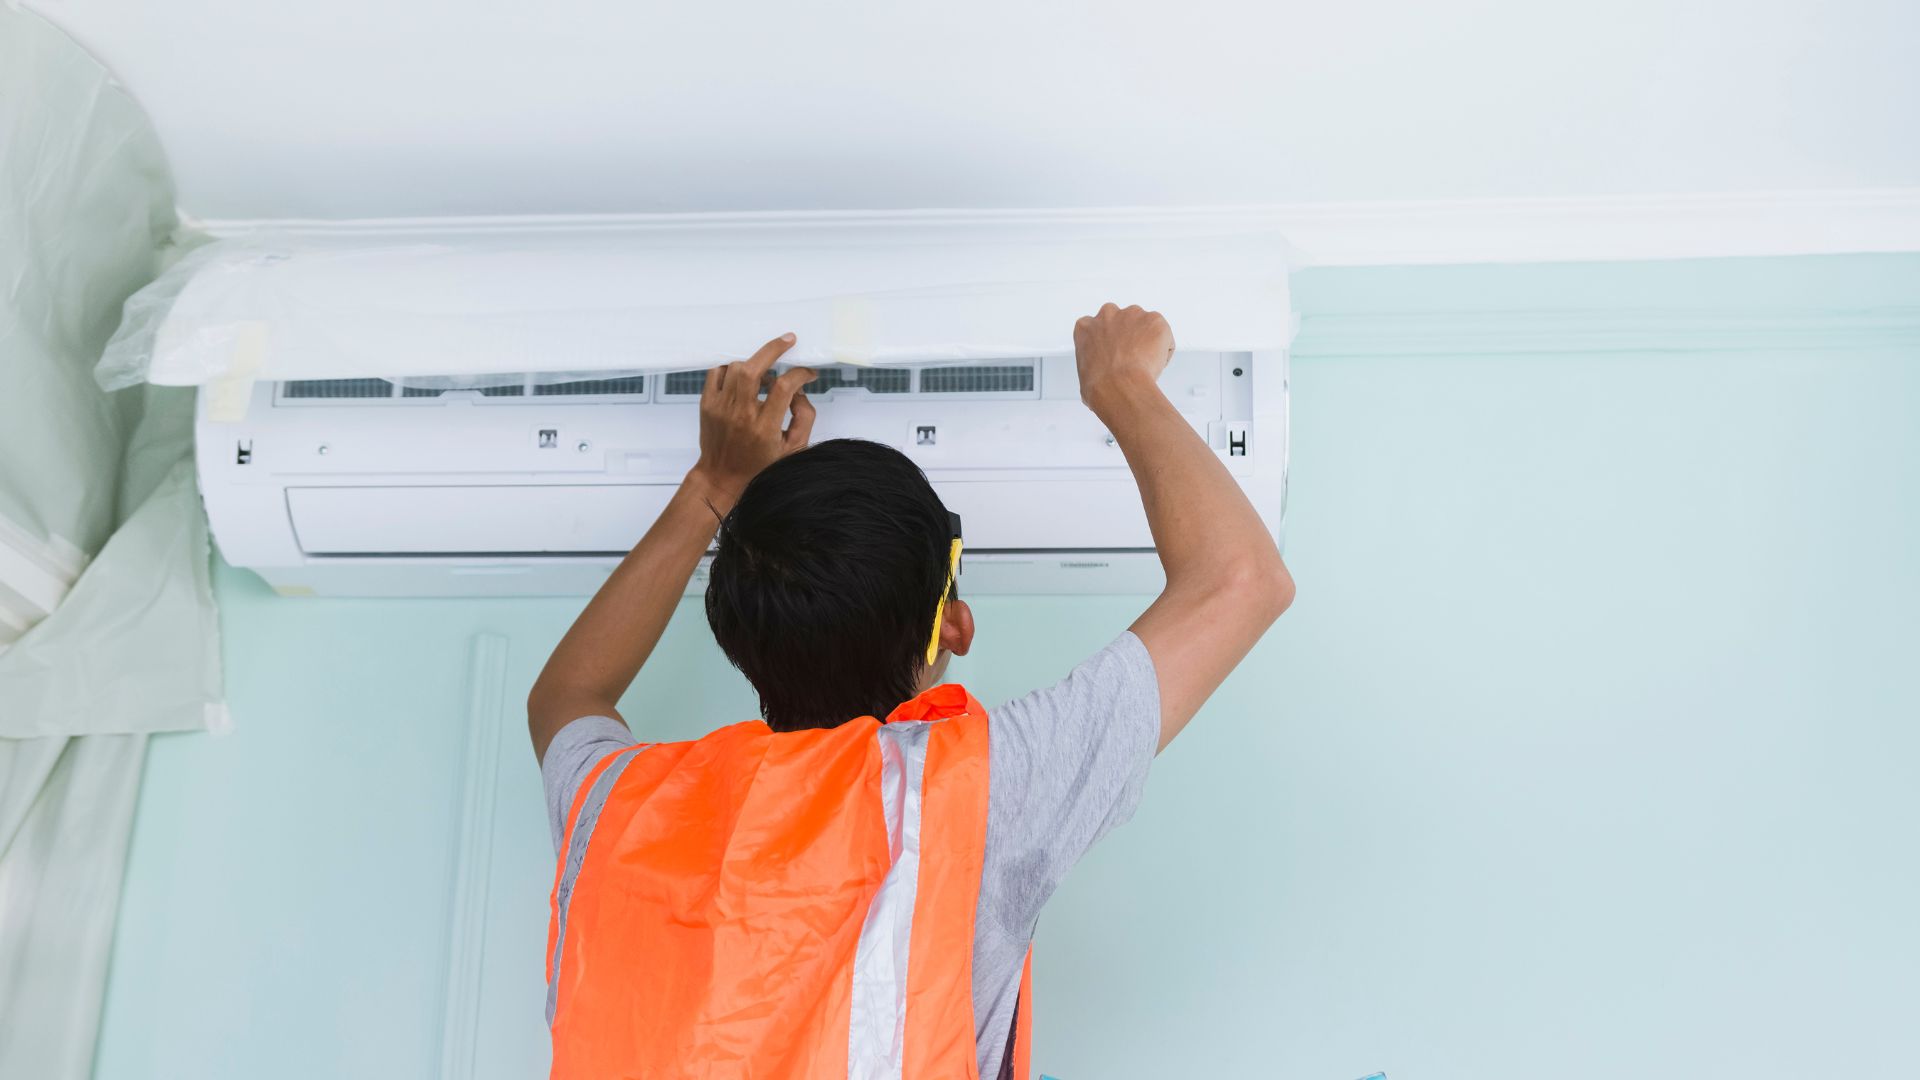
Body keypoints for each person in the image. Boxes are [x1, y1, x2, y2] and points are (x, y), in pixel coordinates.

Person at [529, 303, 1295, 1079]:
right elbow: (1241, 580)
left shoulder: (620, 806)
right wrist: (1119, 383)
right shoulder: (973, 793)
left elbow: (567, 692)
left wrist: (712, 485)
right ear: (953, 627)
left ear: (738, 642)